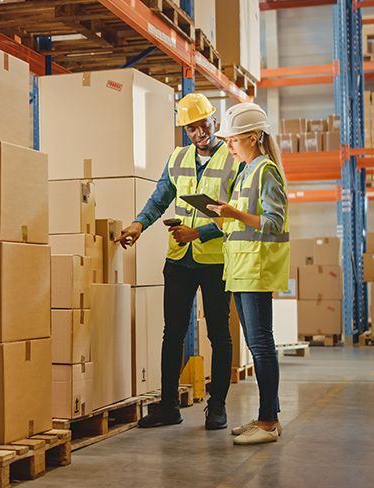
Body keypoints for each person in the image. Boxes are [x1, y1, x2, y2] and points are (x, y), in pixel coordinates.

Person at [117, 93, 243, 430]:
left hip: (215, 260)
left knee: (219, 335)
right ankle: (169, 406)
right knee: (172, 332)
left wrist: (198, 234)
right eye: (191, 127)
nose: (199, 131)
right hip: (180, 260)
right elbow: (160, 197)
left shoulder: (233, 160)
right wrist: (139, 224)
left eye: (203, 123)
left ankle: (217, 407)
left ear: (214, 121)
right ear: (185, 131)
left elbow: (237, 215)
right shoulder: (178, 158)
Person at [206, 102, 289, 445]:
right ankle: (266, 416)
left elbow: (273, 222)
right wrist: (220, 216)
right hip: (240, 268)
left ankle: (269, 422)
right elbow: (241, 222)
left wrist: (235, 215)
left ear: (253, 138)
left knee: (261, 346)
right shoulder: (245, 171)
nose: (228, 147)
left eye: (233, 140)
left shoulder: (265, 170)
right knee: (258, 347)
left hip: (256, 268)